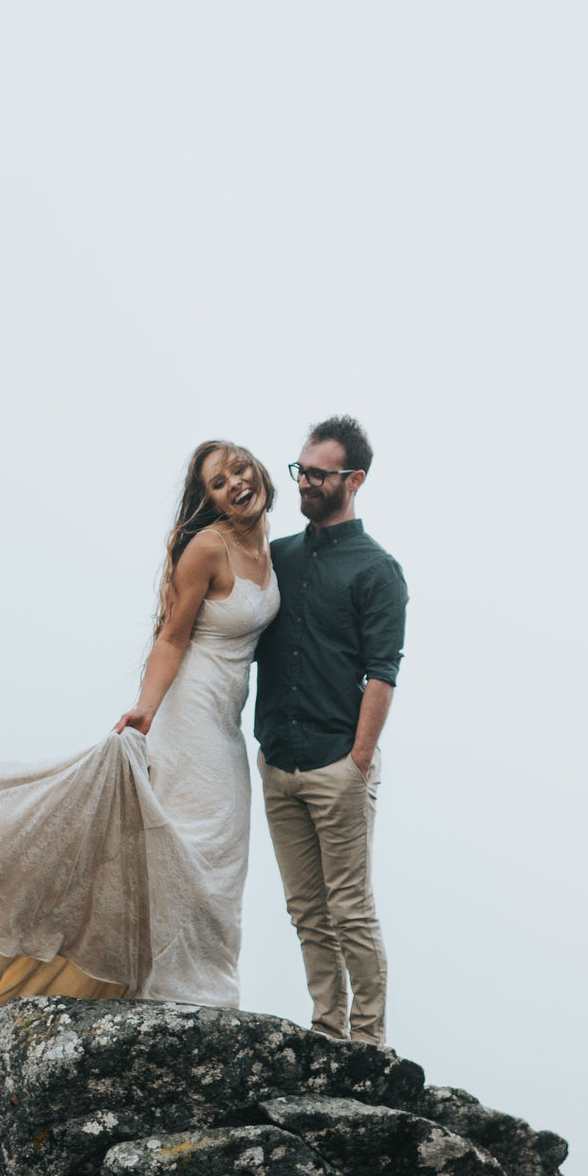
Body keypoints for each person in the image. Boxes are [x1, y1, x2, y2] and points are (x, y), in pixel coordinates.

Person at [0, 441, 278, 1013]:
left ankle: (209, 985)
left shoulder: (270, 549)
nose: (236, 483)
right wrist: (145, 710)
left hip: (226, 723)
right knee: (188, 849)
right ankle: (183, 991)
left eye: (239, 469)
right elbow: (171, 638)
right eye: (219, 483)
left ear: (257, 467)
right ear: (210, 500)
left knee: (223, 849)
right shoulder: (207, 548)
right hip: (187, 716)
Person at [254, 414, 407, 1047]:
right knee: (307, 913)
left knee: (351, 912)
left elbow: (382, 674)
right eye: (302, 470)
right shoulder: (278, 558)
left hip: (338, 766)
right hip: (277, 763)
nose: (305, 482)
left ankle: (367, 1045)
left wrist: (357, 763)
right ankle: (326, 1032)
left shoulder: (378, 570)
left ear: (354, 479)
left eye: (319, 474)